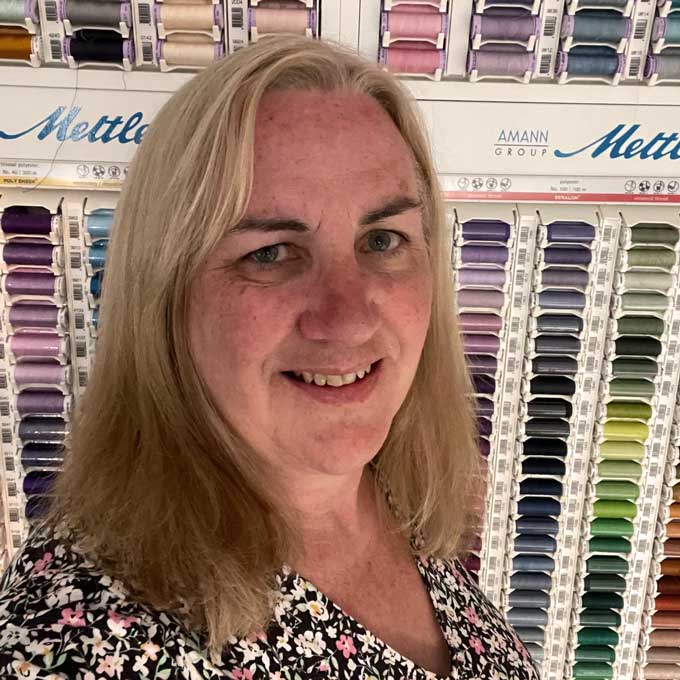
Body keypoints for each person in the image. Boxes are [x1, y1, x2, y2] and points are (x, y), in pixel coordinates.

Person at [0, 35, 538, 680]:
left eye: (383, 238)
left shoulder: (399, 492)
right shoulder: (80, 644)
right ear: (165, 293)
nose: (348, 316)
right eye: (271, 252)